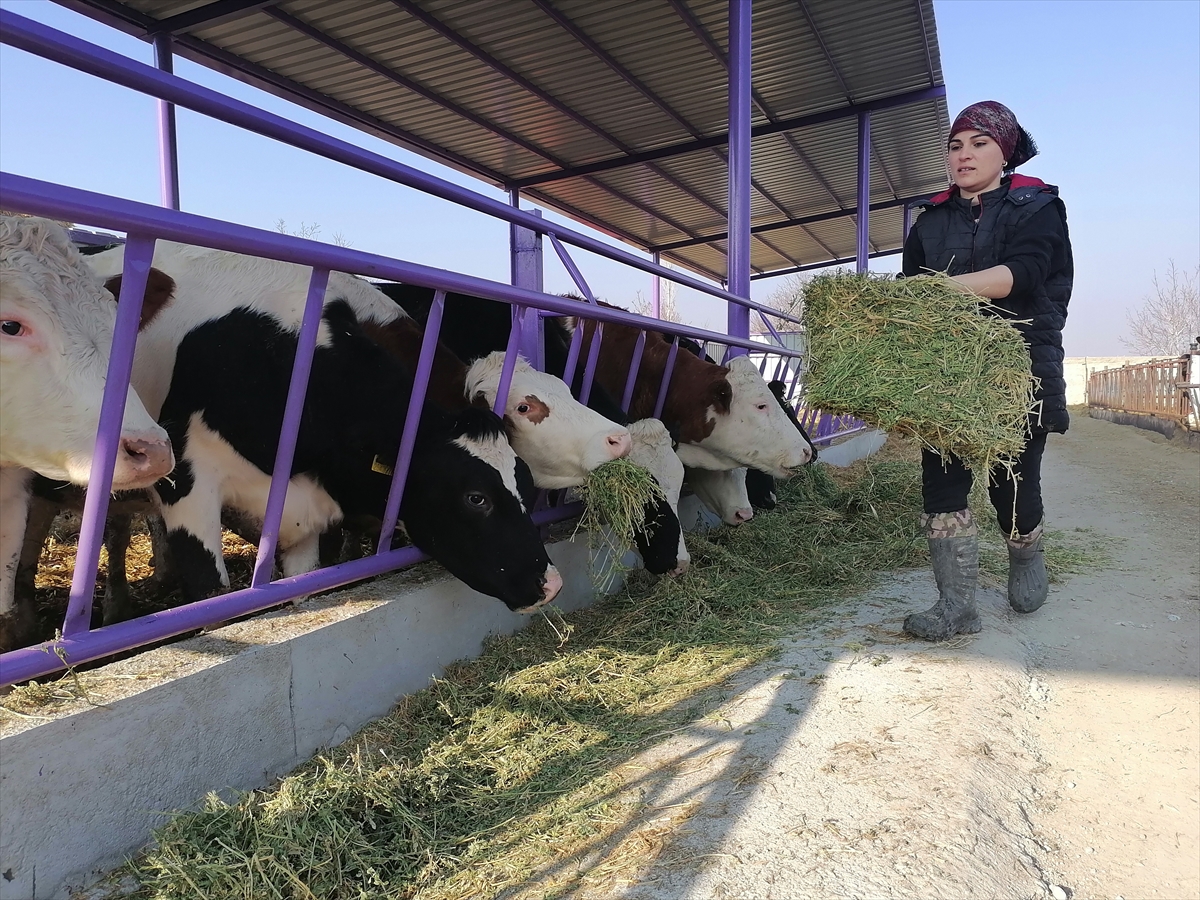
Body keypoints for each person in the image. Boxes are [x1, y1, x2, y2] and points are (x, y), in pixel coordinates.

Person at [901, 100, 1073, 641]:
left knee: (1012, 481)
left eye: (979, 143)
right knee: (942, 482)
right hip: (946, 372)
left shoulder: (1037, 207)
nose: (964, 155)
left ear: (1006, 151)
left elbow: (1024, 274)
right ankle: (957, 606)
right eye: (955, 145)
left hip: (1018, 362)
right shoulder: (930, 222)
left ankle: (1024, 554)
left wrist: (939, 290)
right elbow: (908, 299)